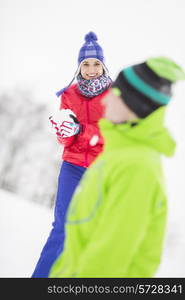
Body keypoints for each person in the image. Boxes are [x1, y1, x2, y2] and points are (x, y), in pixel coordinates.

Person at [49, 56, 185, 278]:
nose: (104, 101)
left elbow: (106, 265)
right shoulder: (118, 154)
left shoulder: (136, 167)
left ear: (135, 104)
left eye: (115, 94)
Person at [32, 32, 111, 278]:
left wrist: (81, 130)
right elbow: (65, 140)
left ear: (103, 65)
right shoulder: (69, 95)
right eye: (85, 64)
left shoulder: (115, 95)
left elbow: (113, 135)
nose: (91, 69)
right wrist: (64, 131)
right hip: (73, 166)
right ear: (79, 66)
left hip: (102, 169)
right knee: (62, 228)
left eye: (96, 63)